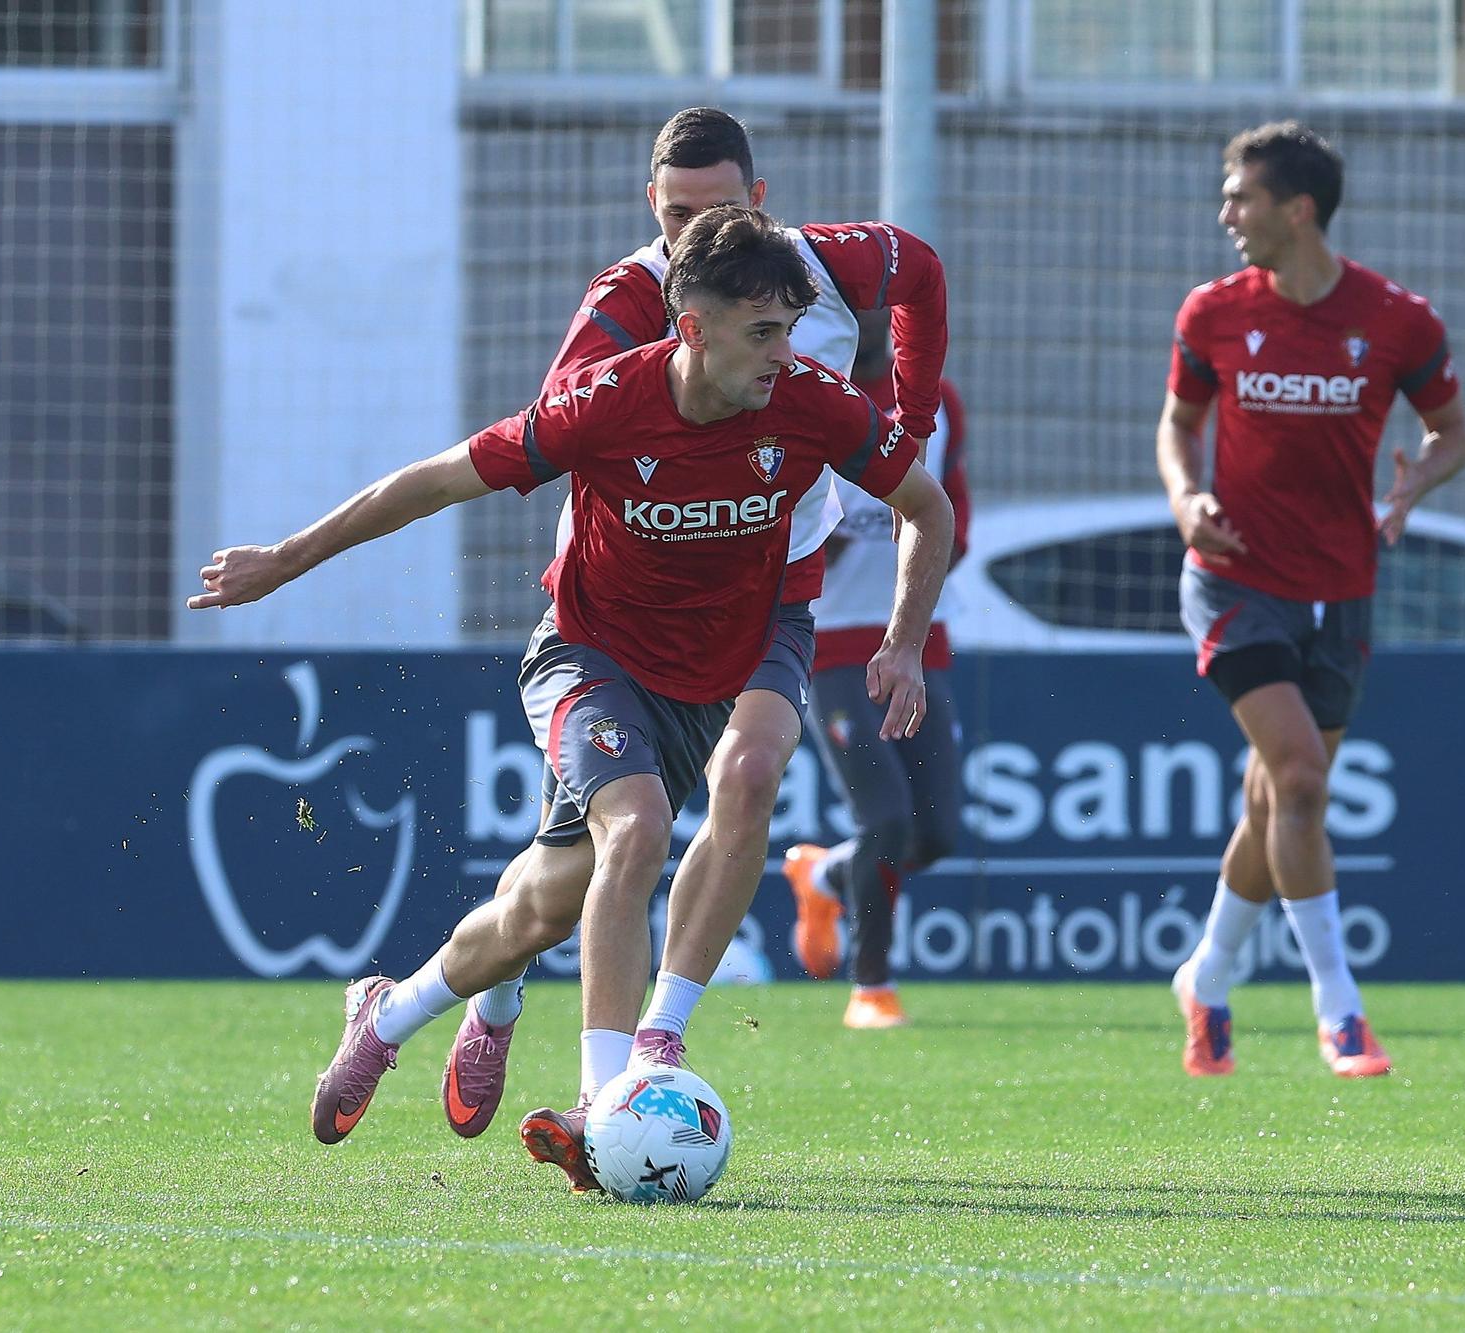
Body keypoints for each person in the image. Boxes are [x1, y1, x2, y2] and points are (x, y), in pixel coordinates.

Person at [187, 207, 954, 1189]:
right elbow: (435, 482)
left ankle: (524, 1027)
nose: (784, 352)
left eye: (790, 330)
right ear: (693, 327)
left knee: (695, 808)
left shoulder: (812, 401)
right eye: (762, 332)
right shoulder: (602, 402)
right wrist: (287, 559)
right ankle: (597, 1098)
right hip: (595, 652)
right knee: (628, 834)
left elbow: (922, 510)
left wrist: (901, 642)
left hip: (750, 638)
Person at [446, 107, 949, 1140]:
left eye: (712, 211)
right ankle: (485, 998)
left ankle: (649, 1051)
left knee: (748, 780)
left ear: (755, 205)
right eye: (673, 213)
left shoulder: (828, 274)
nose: (689, 235)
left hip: (776, 584)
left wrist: (910, 417)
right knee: (573, 870)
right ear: (650, 207)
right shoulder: (632, 297)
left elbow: (925, 275)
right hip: (631, 608)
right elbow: (557, 428)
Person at [1158, 122, 1465, 1079]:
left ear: (1298, 210)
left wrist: (1417, 484)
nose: (1226, 215)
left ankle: (1206, 977)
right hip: (1233, 579)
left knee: (1274, 799)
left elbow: (1452, 432)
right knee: (1298, 779)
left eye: (1241, 198)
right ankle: (1342, 1010)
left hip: (1341, 590)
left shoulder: (1399, 321)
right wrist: (1186, 498)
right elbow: (1179, 424)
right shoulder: (1212, 312)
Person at [782, 309, 972, 1028]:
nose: (865, 319)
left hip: (915, 642)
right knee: (886, 816)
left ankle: (825, 872)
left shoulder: (937, 404)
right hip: (829, 646)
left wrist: (920, 557)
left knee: (938, 833)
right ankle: (872, 984)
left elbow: (956, 515)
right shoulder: (802, 400)